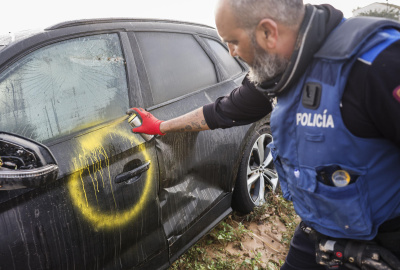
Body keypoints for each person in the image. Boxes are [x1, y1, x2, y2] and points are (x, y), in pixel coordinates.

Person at [128, 0, 400, 269]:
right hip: (318, 231)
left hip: (384, 242)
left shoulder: (377, 64)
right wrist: (161, 126)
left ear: (268, 32)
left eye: (233, 41)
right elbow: (221, 112)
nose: (231, 52)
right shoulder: (276, 70)